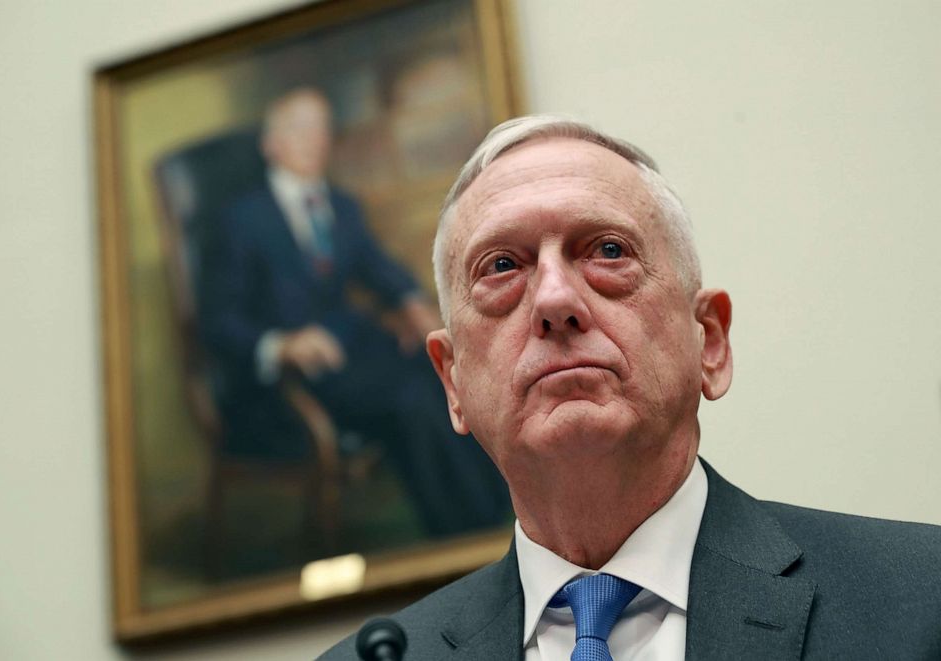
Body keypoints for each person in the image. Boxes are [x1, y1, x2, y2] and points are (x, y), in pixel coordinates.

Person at [322, 116, 941, 659]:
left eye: (608, 250)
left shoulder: (920, 601)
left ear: (711, 343)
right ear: (452, 382)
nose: (556, 299)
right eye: (503, 266)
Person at [199, 88, 510, 538]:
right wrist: (281, 344)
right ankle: (461, 532)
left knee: (441, 375)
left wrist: (413, 304)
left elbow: (378, 268)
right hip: (291, 377)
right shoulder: (240, 220)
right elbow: (218, 322)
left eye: (322, 128)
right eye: (300, 128)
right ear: (271, 144)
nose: (316, 139)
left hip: (353, 349)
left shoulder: (341, 207)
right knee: (409, 402)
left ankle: (497, 512)